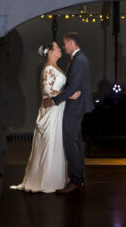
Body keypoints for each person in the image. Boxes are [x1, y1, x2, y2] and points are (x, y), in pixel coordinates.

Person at [11, 43, 77, 192]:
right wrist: (69, 94)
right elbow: (48, 92)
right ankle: (47, 180)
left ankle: (56, 178)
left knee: (57, 142)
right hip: (52, 110)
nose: (60, 49)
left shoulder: (54, 67)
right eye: (57, 48)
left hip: (58, 108)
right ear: (50, 53)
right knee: (50, 142)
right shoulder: (48, 69)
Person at [48, 32, 92, 193]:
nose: (63, 46)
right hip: (77, 105)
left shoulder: (79, 60)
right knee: (76, 142)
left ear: (72, 43)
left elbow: (73, 87)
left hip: (75, 106)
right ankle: (79, 178)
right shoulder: (80, 58)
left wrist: (54, 100)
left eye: (65, 43)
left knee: (70, 142)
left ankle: (75, 180)